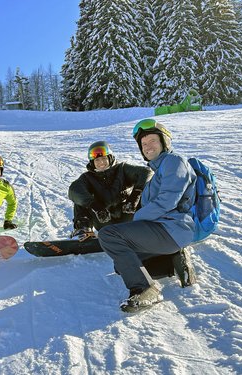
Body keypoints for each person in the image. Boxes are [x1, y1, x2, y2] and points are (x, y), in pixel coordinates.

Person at [98, 119, 197, 312]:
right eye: (144, 144)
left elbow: (167, 202)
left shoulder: (174, 162)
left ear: (164, 142)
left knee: (109, 235)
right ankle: (174, 261)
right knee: (124, 265)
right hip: (163, 231)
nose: (147, 146)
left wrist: (136, 218)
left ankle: (146, 289)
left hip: (171, 228)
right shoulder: (158, 169)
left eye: (152, 141)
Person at [68, 140, 153, 241]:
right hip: (104, 220)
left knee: (148, 190)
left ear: (110, 158)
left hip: (128, 217)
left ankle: (149, 227)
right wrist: (95, 206)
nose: (101, 163)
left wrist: (135, 196)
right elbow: (74, 190)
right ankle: (83, 231)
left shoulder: (122, 169)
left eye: (104, 159)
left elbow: (146, 172)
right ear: (92, 163)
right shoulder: (87, 177)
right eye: (97, 160)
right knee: (80, 198)